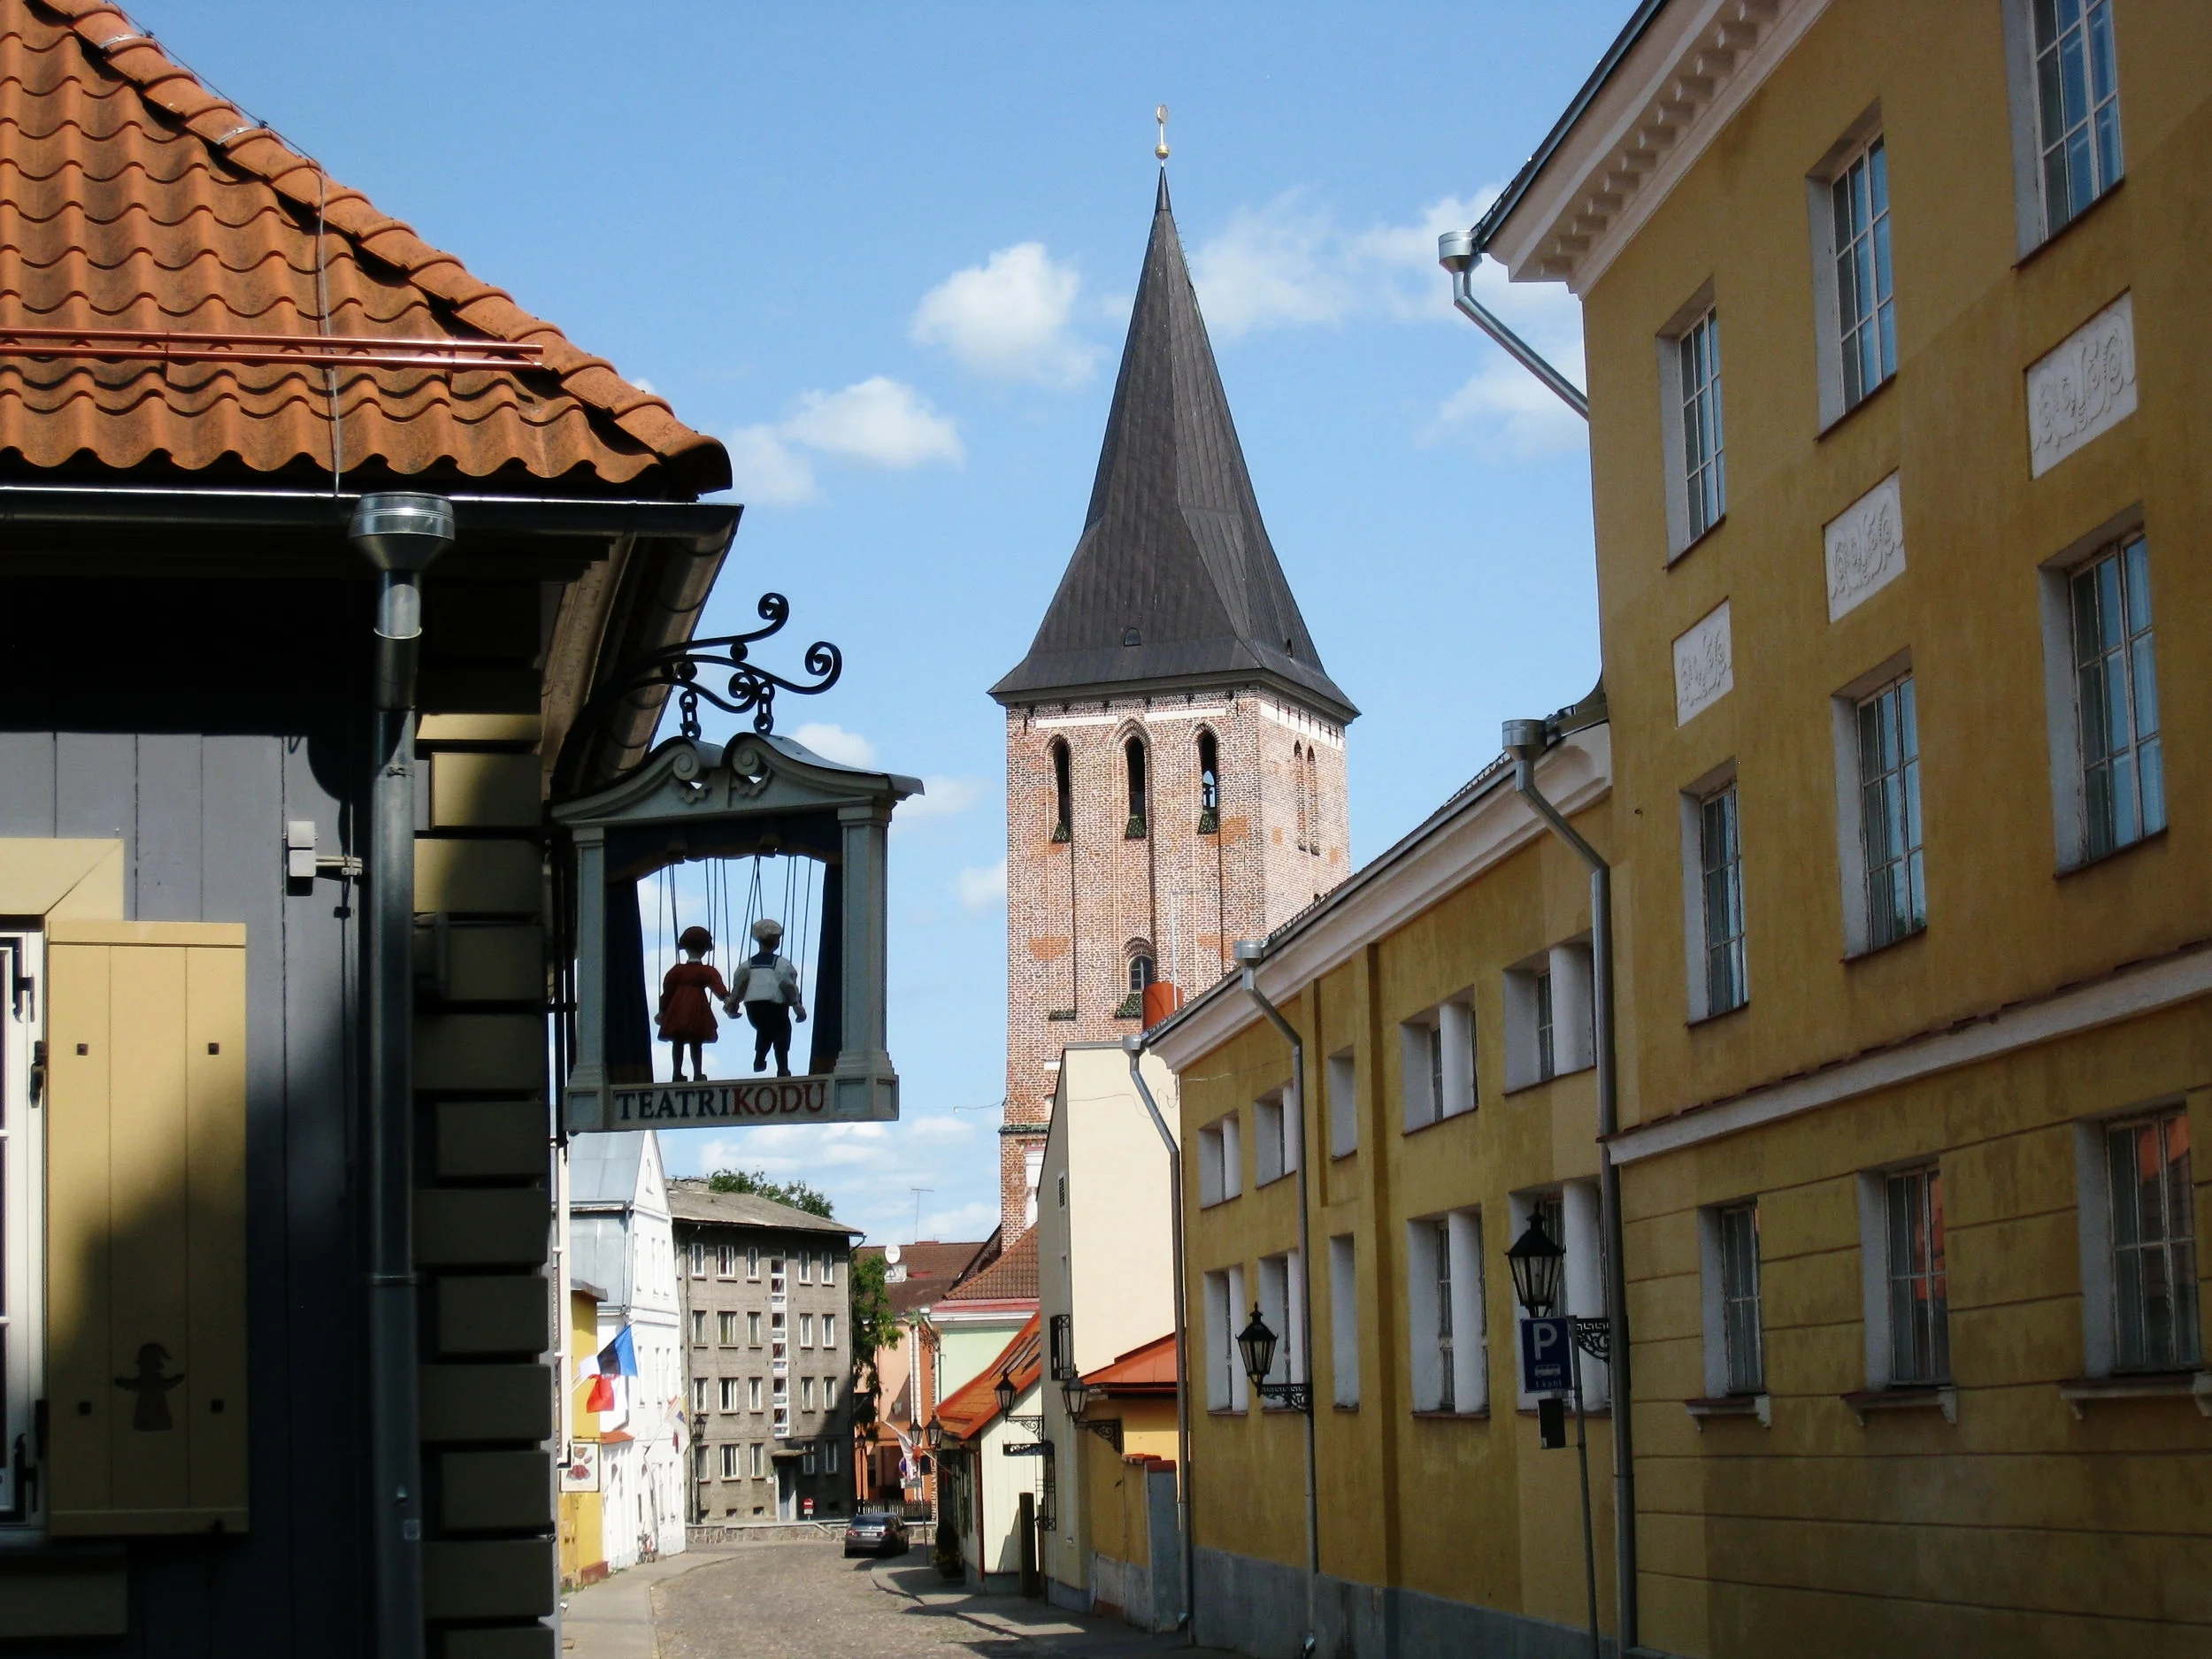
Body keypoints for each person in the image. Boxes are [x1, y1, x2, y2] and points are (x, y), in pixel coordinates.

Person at [727, 916, 806, 1077]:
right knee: (782, 1030)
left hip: (753, 1006)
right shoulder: (781, 963)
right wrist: (796, 1004)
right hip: (775, 1004)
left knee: (764, 1029)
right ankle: (782, 1067)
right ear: (777, 941)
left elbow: (739, 984)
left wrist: (733, 1003)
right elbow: (787, 984)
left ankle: (760, 1058)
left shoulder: (747, 965)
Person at [656, 925, 729, 1082]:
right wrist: (728, 999)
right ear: (705, 950)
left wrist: (662, 1011)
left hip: (677, 1009)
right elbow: (719, 988)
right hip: (697, 1008)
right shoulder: (707, 971)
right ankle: (697, 1073)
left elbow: (667, 991)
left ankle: (677, 1073)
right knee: (696, 1041)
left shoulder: (677, 970)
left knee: (678, 1041)